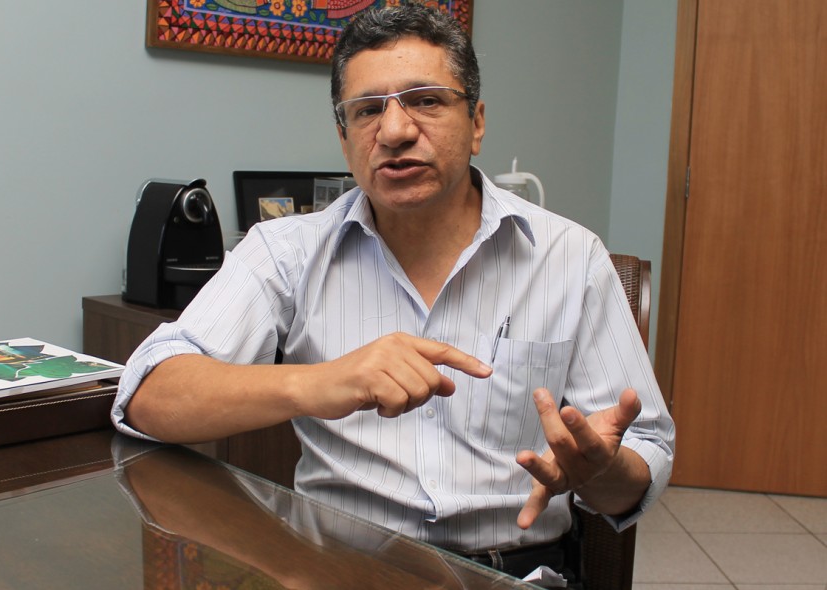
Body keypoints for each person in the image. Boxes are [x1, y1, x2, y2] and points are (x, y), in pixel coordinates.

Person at [113, 5, 674, 586]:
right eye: (367, 110)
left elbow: (645, 452)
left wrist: (601, 471)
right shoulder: (286, 252)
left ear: (477, 123)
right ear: (344, 138)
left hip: (512, 574)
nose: (395, 131)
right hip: (337, 570)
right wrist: (316, 383)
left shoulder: (571, 257)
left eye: (426, 101)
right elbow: (147, 393)